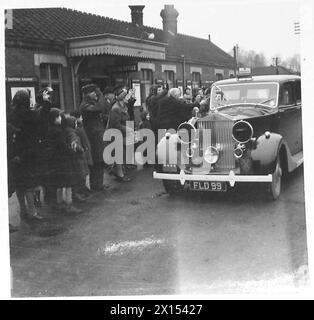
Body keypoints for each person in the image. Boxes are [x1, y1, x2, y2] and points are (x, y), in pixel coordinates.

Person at [7, 89, 44, 221]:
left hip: (15, 153)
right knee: (30, 184)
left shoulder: (11, 115)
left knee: (20, 185)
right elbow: (37, 131)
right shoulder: (31, 115)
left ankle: (23, 211)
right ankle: (32, 212)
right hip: (29, 152)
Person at [44, 108, 82, 214]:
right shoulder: (58, 131)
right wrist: (72, 149)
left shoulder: (50, 130)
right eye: (59, 117)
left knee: (59, 184)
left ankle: (60, 203)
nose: (61, 118)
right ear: (54, 118)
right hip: (64, 160)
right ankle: (69, 205)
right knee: (68, 183)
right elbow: (63, 146)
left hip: (55, 160)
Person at [79, 84, 106, 191]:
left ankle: (99, 184)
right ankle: (95, 185)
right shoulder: (85, 105)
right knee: (96, 160)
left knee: (100, 160)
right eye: (93, 92)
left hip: (97, 135)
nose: (95, 94)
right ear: (86, 94)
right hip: (92, 137)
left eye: (96, 92)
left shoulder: (91, 103)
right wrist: (100, 94)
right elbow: (100, 108)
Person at [107, 86, 133, 182]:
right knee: (119, 155)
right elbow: (115, 124)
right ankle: (120, 175)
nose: (128, 98)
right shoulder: (116, 109)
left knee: (121, 154)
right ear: (122, 98)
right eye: (127, 97)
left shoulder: (123, 107)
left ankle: (118, 171)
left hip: (122, 134)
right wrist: (126, 128)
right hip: (116, 134)